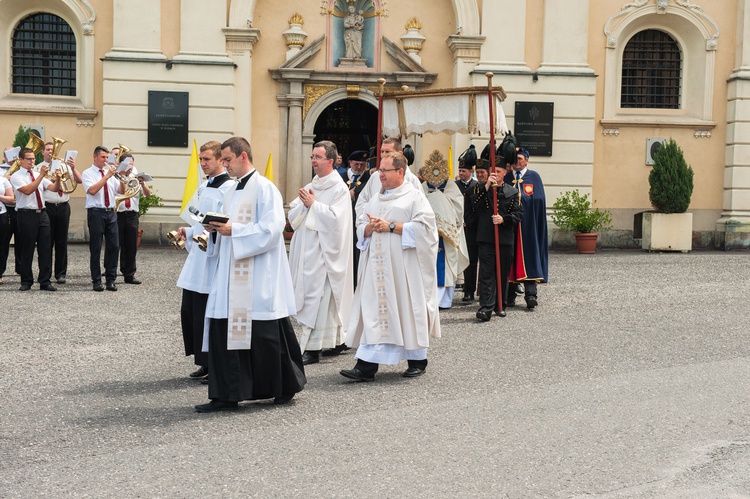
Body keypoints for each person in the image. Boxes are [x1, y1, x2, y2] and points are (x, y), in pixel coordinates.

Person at [196, 136, 305, 413]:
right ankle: (226, 395)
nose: (225, 165)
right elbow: (227, 223)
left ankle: (284, 387)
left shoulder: (266, 189)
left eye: (228, 160)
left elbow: (272, 229)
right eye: (222, 160)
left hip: (257, 276)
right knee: (225, 331)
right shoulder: (230, 191)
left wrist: (236, 231)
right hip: (230, 274)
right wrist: (216, 229)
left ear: (244, 157)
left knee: (265, 335)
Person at [341, 152, 440, 382]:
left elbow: (427, 230)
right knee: (375, 311)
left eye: (384, 171)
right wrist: (367, 229)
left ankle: (417, 360)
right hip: (376, 269)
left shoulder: (414, 198)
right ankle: (366, 366)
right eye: (379, 170)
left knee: (406, 309)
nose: (380, 175)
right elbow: (361, 225)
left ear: (400, 172)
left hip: (403, 271)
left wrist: (392, 226)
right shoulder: (376, 198)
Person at [288, 140, 354, 366]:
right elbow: (293, 217)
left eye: (317, 157)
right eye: (312, 157)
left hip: (325, 253)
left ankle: (312, 349)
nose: (313, 161)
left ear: (331, 160)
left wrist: (314, 205)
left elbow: (338, 221)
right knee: (315, 299)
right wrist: (305, 205)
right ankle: (336, 341)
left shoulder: (339, 189)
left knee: (320, 299)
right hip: (307, 251)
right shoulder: (311, 184)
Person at [176, 141, 233, 381]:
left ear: (221, 160)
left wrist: (208, 234)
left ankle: (215, 362)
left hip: (214, 257)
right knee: (192, 309)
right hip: (199, 256)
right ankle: (203, 360)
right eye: (201, 159)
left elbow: (225, 221)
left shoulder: (229, 188)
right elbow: (198, 218)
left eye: (207, 159)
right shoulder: (204, 186)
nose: (202, 164)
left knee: (208, 310)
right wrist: (188, 232)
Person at [472, 156, 523, 321]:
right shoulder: (481, 189)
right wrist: (487, 186)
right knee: (486, 274)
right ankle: (485, 307)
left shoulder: (513, 191)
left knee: (502, 273)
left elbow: (518, 214)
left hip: (504, 239)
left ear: (505, 172)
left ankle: (500, 305)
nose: (495, 174)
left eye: (498, 171)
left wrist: (504, 219)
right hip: (486, 238)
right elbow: (474, 207)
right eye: (492, 172)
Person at [9, 147, 62, 291]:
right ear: (21, 160)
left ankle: (45, 281)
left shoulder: (38, 174)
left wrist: (58, 178)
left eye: (33, 159)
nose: (32, 161)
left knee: (45, 248)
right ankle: (26, 281)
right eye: (29, 159)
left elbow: (53, 188)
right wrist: (41, 176)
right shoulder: (16, 176)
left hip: (42, 214)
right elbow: (27, 191)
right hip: (26, 214)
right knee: (27, 248)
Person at [421, 155, 469, 310]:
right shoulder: (422, 186)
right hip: (428, 234)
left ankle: (445, 301)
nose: (435, 179)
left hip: (448, 237)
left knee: (448, 267)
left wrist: (439, 198)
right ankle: (428, 299)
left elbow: (458, 206)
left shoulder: (451, 186)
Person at [504, 147, 548, 309]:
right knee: (509, 258)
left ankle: (531, 295)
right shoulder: (507, 177)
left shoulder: (534, 177)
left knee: (530, 257)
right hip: (510, 227)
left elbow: (539, 200)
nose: (518, 161)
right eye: (515, 159)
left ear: (527, 160)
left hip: (529, 227)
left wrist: (524, 202)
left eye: (521, 158)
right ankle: (509, 296)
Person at [36, 142, 81, 284]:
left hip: (63, 206)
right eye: (48, 149)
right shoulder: (38, 168)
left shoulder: (64, 165)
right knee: (46, 242)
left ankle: (61, 274)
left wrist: (73, 168)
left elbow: (79, 181)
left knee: (62, 241)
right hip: (47, 206)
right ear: (43, 152)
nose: (51, 151)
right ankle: (46, 273)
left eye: (53, 149)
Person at [82, 146, 124, 292]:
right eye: (103, 157)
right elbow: (92, 191)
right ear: (95, 157)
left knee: (114, 246)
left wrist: (122, 176)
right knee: (96, 247)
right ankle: (96, 280)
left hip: (111, 212)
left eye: (107, 158)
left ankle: (111, 280)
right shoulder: (88, 173)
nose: (106, 160)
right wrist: (106, 177)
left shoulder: (110, 174)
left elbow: (121, 191)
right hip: (96, 213)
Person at [354, 138, 423, 221]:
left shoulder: (411, 180)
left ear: (399, 154)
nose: (383, 155)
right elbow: (362, 202)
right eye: (382, 151)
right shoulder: (375, 177)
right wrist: (369, 219)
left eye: (387, 152)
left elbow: (420, 210)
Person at [115, 154, 150, 285]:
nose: (131, 167)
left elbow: (148, 194)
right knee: (116, 244)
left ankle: (129, 274)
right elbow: (120, 192)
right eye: (128, 164)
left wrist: (142, 183)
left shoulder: (136, 177)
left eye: (132, 164)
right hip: (119, 213)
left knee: (131, 245)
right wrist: (121, 177)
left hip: (132, 214)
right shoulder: (115, 176)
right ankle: (111, 272)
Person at [456, 145, 479, 301]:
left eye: (464, 171)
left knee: (471, 260)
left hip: (471, 229)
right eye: (460, 171)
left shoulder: (476, 186)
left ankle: (469, 290)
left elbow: (477, 209)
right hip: (457, 228)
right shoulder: (454, 186)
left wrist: (468, 222)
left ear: (471, 172)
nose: (461, 173)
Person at [0, 151, 15, 284]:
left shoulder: (3, 179)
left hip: (2, 214)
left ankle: (0, 272)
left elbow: (11, 198)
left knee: (2, 245)